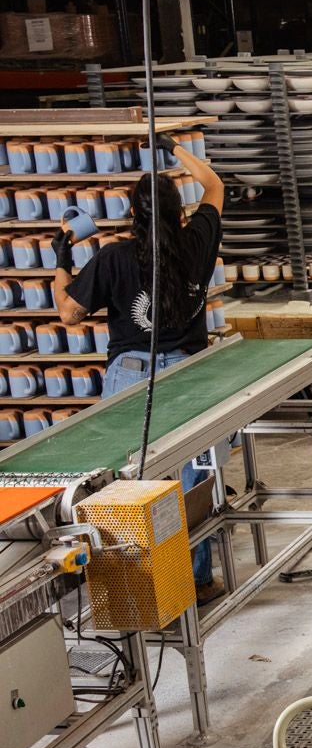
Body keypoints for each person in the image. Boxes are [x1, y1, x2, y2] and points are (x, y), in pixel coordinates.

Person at [53, 134, 226, 601]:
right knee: (188, 479)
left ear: (134, 215)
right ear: (180, 212)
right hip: (187, 375)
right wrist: (173, 150)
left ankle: (132, 587)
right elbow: (213, 184)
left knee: (125, 482)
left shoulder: (112, 258)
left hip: (130, 375)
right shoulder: (198, 243)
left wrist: (61, 259)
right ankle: (194, 580)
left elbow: (68, 314)